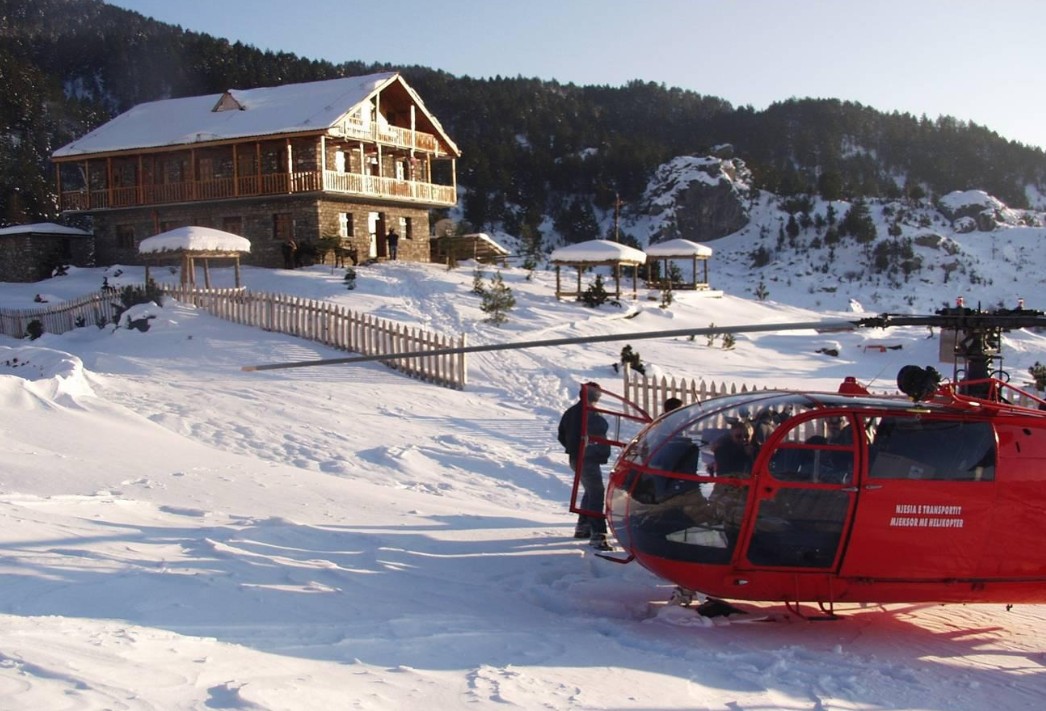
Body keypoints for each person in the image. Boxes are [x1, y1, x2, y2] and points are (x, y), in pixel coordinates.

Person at [557, 382, 613, 549]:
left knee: (590, 491)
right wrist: (585, 449)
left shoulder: (571, 412)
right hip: (587, 459)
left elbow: (561, 435)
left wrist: (573, 449)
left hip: (578, 458)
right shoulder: (590, 413)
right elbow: (598, 434)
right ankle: (598, 534)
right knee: (596, 493)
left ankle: (583, 526)